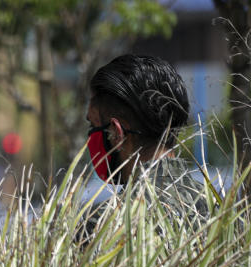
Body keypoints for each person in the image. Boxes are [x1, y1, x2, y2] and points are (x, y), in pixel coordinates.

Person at [83, 54, 207, 237]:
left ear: (116, 133)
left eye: (93, 126)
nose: (91, 136)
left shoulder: (104, 223)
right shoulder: (217, 208)